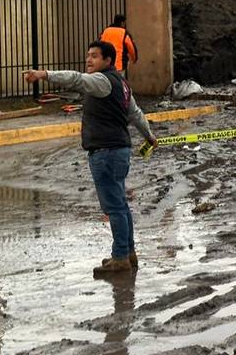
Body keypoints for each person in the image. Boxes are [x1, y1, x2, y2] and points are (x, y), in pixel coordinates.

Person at [23, 41, 157, 274]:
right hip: (119, 149)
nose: (89, 60)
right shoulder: (122, 84)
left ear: (107, 61)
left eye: (94, 56)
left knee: (114, 207)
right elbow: (135, 113)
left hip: (105, 151)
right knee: (121, 205)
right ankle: (127, 252)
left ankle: (120, 258)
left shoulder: (102, 81)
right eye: (88, 56)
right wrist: (149, 136)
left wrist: (44, 74)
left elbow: (77, 79)